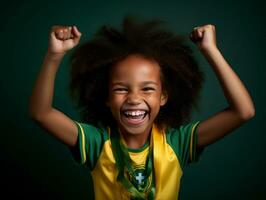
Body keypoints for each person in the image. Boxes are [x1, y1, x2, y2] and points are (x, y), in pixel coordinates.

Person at [28, 17, 255, 200]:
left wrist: (211, 51)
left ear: (163, 96)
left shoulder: (177, 144)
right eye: (120, 89)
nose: (134, 99)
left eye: (147, 88)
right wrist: (54, 56)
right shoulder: (97, 144)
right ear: (106, 98)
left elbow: (243, 112)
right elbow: (41, 114)